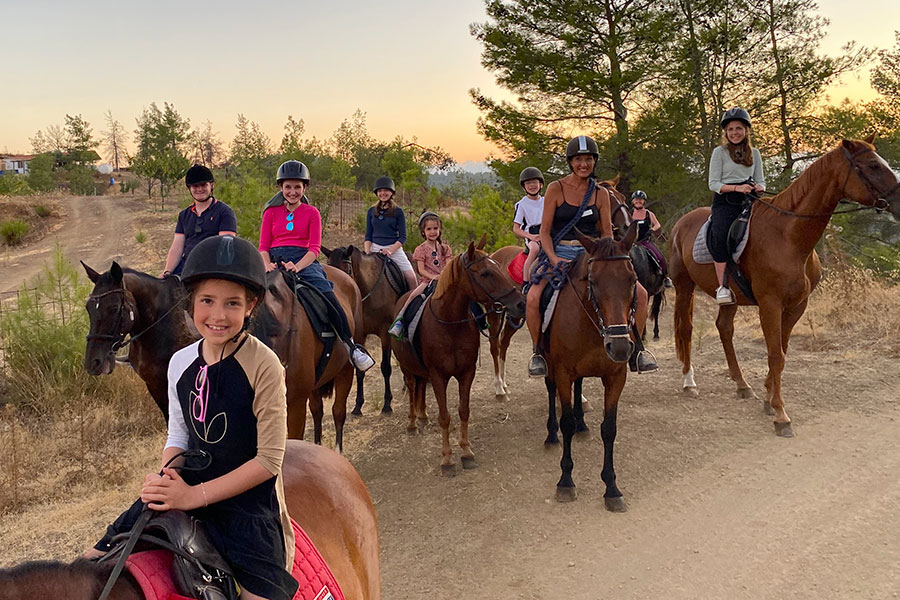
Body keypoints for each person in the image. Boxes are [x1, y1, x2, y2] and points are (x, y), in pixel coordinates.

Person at [88, 235, 299, 600]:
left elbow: (268, 461)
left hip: (247, 507)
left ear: (251, 306)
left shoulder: (264, 365)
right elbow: (179, 435)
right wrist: (166, 476)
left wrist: (192, 497)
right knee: (90, 563)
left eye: (232, 303)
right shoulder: (180, 362)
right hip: (188, 482)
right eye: (207, 301)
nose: (218, 316)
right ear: (190, 304)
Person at [525, 135, 657, 377]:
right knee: (533, 297)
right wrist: (553, 259)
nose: (583, 164)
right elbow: (544, 232)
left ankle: (637, 349)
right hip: (560, 250)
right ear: (570, 162)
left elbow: (607, 233)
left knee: (641, 292)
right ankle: (538, 353)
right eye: (578, 159)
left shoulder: (600, 194)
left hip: (594, 253)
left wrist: (608, 258)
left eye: (588, 159)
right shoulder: (556, 189)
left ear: (594, 161)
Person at [259, 160, 375, 372]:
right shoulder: (270, 213)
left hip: (304, 261)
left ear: (305, 188)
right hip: (274, 262)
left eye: (297, 187)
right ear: (281, 188)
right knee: (249, 296)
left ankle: (350, 347)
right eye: (288, 187)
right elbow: (263, 246)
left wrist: (298, 266)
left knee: (328, 296)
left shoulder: (312, 213)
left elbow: (314, 248)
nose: (292, 191)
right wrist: (266, 264)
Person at [708, 107, 766, 305]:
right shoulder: (719, 152)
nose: (734, 132)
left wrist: (759, 187)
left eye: (739, 128)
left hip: (750, 200)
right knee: (720, 235)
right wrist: (737, 188)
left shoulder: (755, 153)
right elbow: (713, 184)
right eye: (731, 129)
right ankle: (722, 286)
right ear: (726, 132)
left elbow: (762, 180)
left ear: (746, 130)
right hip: (726, 202)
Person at [161, 164, 237, 276]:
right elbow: (177, 247)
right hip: (187, 265)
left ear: (211, 185)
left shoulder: (224, 212)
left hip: (213, 267)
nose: (199, 189)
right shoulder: (184, 215)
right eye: (195, 186)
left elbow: (224, 247)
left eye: (203, 185)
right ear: (189, 188)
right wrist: (166, 272)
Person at [388, 211, 452, 339]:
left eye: (435, 228)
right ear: (423, 231)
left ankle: (478, 319)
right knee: (412, 296)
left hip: (445, 280)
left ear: (440, 230)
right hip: (428, 281)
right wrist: (434, 277)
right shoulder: (420, 249)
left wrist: (444, 276)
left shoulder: (445, 248)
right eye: (429, 229)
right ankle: (400, 321)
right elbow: (421, 270)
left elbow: (449, 265)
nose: (432, 232)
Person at [364, 176, 419, 291]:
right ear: (376, 193)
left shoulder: (398, 211)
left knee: (412, 277)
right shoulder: (371, 211)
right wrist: (368, 252)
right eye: (380, 191)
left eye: (386, 190)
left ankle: (414, 304)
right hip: (374, 248)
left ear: (391, 192)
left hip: (394, 249)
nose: (383, 193)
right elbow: (368, 235)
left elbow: (403, 237)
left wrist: (390, 251)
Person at [630, 190, 672, 288]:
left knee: (660, 257)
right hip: (632, 243)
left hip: (645, 242)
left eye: (640, 200)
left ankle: (666, 277)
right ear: (633, 201)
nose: (638, 201)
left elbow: (657, 224)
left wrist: (652, 230)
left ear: (644, 201)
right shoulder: (629, 213)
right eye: (636, 199)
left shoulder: (648, 214)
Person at [513, 166, 545, 281]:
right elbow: (516, 228)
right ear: (524, 187)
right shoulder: (522, 205)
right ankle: (526, 280)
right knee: (535, 249)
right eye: (528, 183)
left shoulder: (546, 201)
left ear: (540, 184)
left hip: (545, 232)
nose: (532, 185)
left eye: (534, 182)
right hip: (531, 234)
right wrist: (531, 237)